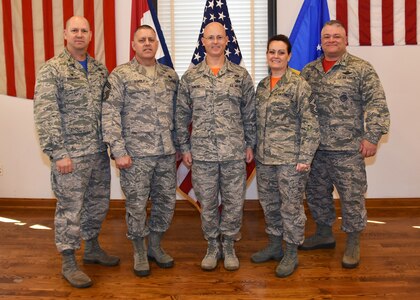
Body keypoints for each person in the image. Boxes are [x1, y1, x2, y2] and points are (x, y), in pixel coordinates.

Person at [33, 16, 119, 289]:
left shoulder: (99, 69)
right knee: (70, 210)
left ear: (90, 35)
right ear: (65, 35)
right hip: (70, 154)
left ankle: (92, 248)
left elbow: (108, 110)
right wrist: (58, 153)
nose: (79, 34)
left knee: (97, 204)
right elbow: (46, 114)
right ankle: (69, 260)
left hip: (97, 152)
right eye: (75, 30)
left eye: (84, 30)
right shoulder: (52, 69)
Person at [299, 20, 390, 269]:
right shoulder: (309, 71)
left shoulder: (361, 69)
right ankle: (324, 233)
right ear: (321, 41)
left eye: (336, 36)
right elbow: (301, 109)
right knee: (317, 194)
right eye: (326, 36)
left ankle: (352, 240)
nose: (331, 40)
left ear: (345, 39)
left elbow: (377, 104)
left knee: (351, 197)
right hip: (316, 149)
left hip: (347, 149)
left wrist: (372, 137)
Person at [176, 22, 256, 272]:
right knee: (208, 202)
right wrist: (185, 148)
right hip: (202, 154)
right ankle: (212, 245)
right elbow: (181, 115)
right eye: (210, 37)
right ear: (203, 41)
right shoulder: (190, 77)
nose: (214, 42)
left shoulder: (240, 75)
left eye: (219, 37)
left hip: (234, 151)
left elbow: (249, 113)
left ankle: (229, 244)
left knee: (233, 201)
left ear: (226, 40)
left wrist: (250, 143)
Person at [102, 25, 179, 277]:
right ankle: (138, 250)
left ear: (156, 44)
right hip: (134, 155)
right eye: (141, 40)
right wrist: (118, 150)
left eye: (151, 39)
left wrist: (178, 145)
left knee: (165, 203)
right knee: (136, 205)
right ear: (134, 45)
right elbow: (110, 113)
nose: (147, 43)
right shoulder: (120, 75)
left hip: (166, 153)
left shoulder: (169, 76)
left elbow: (178, 114)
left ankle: (155, 246)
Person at [251, 35, 320, 277]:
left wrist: (305, 157)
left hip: (291, 160)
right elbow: (255, 123)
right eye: (272, 52)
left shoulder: (298, 84)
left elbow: (311, 123)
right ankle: (274, 246)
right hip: (265, 158)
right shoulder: (261, 86)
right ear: (267, 55)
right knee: (269, 205)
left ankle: (291, 251)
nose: (276, 56)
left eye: (281, 52)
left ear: (289, 56)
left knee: (290, 207)